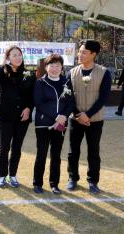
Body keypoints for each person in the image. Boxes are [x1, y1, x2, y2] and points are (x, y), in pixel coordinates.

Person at [66, 39, 112, 194]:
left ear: (94, 54)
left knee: (93, 151)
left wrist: (88, 115)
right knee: (73, 151)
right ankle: (72, 178)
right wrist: (79, 115)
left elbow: (104, 97)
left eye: (84, 52)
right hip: (76, 119)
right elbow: (68, 96)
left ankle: (93, 181)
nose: (80, 54)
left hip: (95, 120)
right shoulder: (72, 72)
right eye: (79, 51)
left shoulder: (104, 72)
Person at [0, 45, 35, 188]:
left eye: (19, 54)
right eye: (14, 55)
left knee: (17, 147)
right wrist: (4, 65)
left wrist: (29, 108)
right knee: (4, 147)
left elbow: (32, 96)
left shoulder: (29, 74)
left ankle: (13, 175)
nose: (17, 57)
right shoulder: (3, 73)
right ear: (8, 58)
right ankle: (2, 176)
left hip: (22, 117)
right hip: (6, 116)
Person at [33, 54, 75, 194]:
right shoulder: (40, 82)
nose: (55, 68)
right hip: (43, 124)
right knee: (42, 154)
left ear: (62, 67)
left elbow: (71, 102)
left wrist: (64, 116)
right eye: (52, 65)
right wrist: (57, 116)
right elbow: (39, 103)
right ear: (46, 67)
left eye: (58, 65)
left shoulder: (66, 82)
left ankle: (54, 184)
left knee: (56, 155)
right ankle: (37, 183)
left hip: (61, 125)